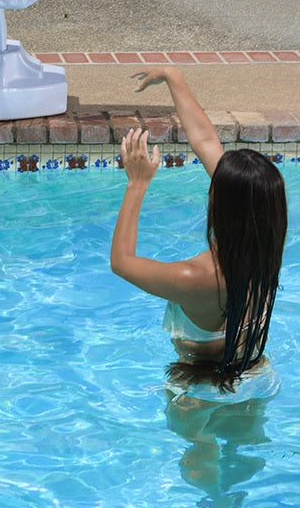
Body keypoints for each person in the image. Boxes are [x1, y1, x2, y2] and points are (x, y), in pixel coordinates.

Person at [110, 66, 287, 402]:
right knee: (249, 452)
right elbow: (206, 141)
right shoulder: (267, 241)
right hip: (254, 372)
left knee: (199, 452)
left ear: (220, 204)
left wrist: (137, 183)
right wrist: (173, 78)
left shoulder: (197, 276)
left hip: (197, 390)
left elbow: (121, 262)